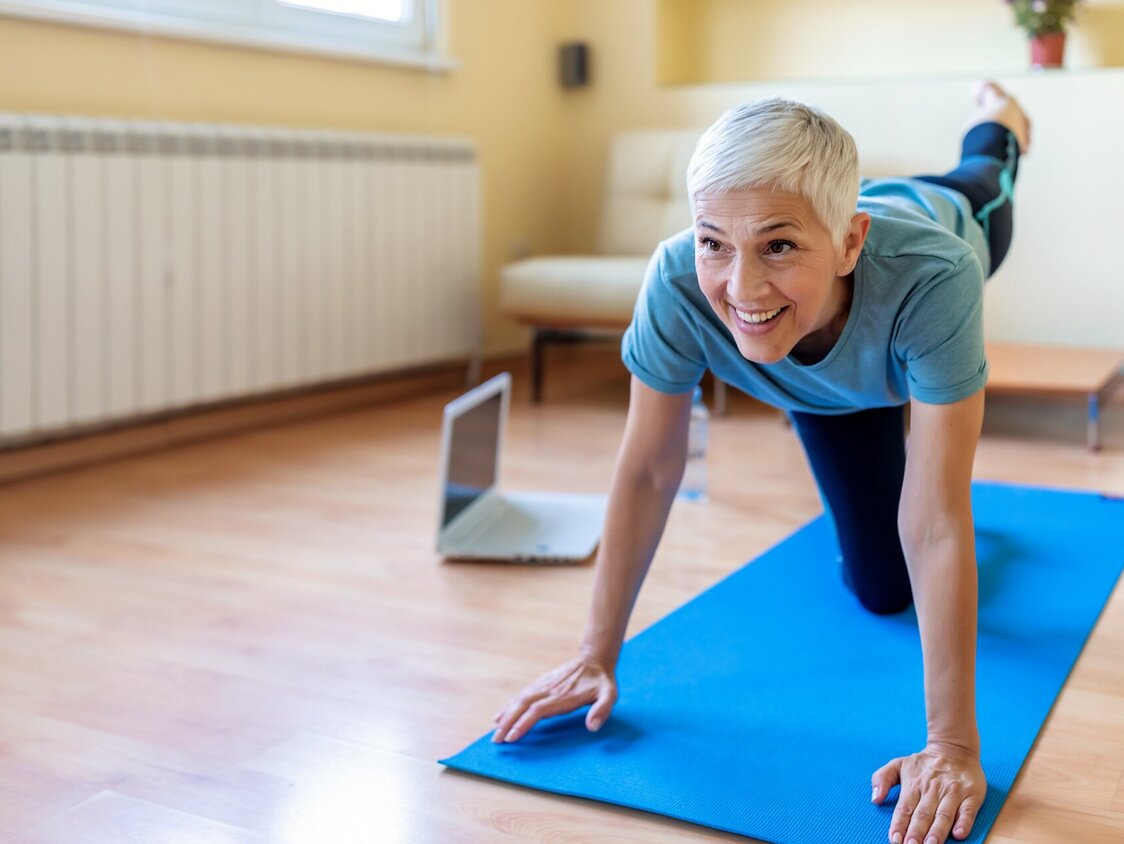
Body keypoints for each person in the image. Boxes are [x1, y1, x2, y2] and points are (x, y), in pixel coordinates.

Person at [492, 82, 1030, 844]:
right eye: (716, 241)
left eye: (778, 244)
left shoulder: (936, 276)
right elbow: (649, 470)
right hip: (826, 375)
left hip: (945, 216)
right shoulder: (679, 283)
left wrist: (953, 747)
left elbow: (937, 515)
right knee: (882, 591)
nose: (740, 288)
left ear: (849, 243)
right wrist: (593, 655)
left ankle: (999, 125)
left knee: (982, 179)